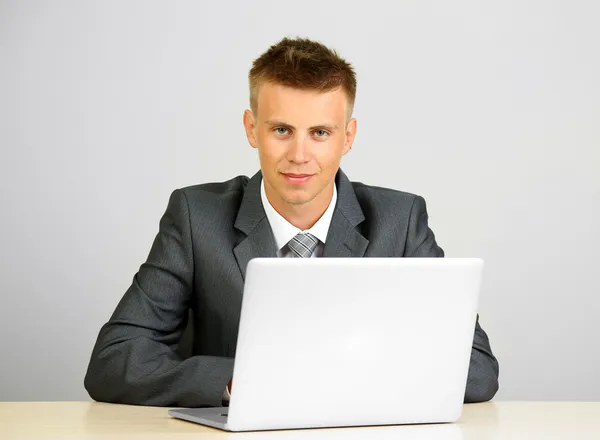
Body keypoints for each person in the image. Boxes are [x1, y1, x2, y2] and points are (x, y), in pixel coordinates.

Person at [84, 37, 499, 407]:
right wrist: (240, 380)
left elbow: (478, 372)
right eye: (282, 129)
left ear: (348, 137)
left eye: (320, 133)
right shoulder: (196, 217)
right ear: (252, 129)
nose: (299, 154)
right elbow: (114, 359)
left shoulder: (400, 221)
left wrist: (340, 379)